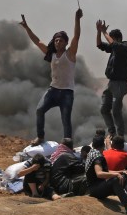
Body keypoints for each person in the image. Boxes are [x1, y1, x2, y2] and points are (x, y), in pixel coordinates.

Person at [19, 9, 83, 145]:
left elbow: (76, 37)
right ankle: (40, 137)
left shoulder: (70, 54)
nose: (57, 42)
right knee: (39, 110)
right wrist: (26, 27)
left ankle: (67, 144)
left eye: (60, 40)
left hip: (67, 92)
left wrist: (77, 19)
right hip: (53, 90)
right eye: (56, 40)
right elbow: (37, 41)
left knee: (66, 119)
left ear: (65, 43)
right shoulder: (52, 54)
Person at [96, 20, 127, 137]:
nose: (110, 42)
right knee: (104, 109)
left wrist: (104, 31)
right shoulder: (114, 49)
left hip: (120, 84)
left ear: (117, 38)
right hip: (111, 83)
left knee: (116, 111)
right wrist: (99, 32)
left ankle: (120, 136)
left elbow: (115, 45)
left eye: (111, 39)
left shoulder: (125, 47)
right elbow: (100, 45)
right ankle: (112, 132)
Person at [85, 135, 127, 214]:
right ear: (103, 145)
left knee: (126, 174)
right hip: (95, 189)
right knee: (115, 180)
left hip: (97, 187)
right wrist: (116, 175)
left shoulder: (92, 153)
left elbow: (106, 171)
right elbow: (99, 173)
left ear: (93, 145)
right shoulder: (97, 157)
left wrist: (121, 171)